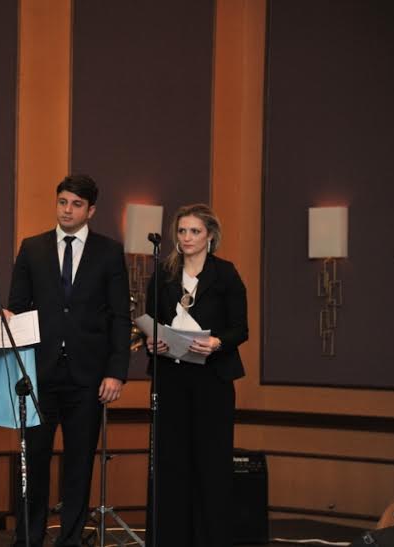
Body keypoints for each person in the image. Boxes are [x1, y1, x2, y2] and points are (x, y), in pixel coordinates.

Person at [8, 174, 131, 547]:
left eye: (76, 204)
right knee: (34, 463)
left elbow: (119, 316)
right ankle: (28, 539)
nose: (67, 210)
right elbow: (17, 308)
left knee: (79, 465)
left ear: (90, 210)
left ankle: (71, 539)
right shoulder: (32, 248)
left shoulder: (109, 252)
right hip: (38, 374)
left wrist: (116, 372)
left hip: (88, 377)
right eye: (62, 202)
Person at [144, 203, 248, 547]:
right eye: (182, 231)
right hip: (171, 380)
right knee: (171, 463)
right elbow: (149, 321)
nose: (187, 237)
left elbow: (240, 329)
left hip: (211, 380)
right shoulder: (164, 274)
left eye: (195, 231)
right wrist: (152, 342)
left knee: (211, 463)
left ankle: (210, 538)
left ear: (210, 236)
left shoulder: (226, 274)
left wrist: (217, 342)